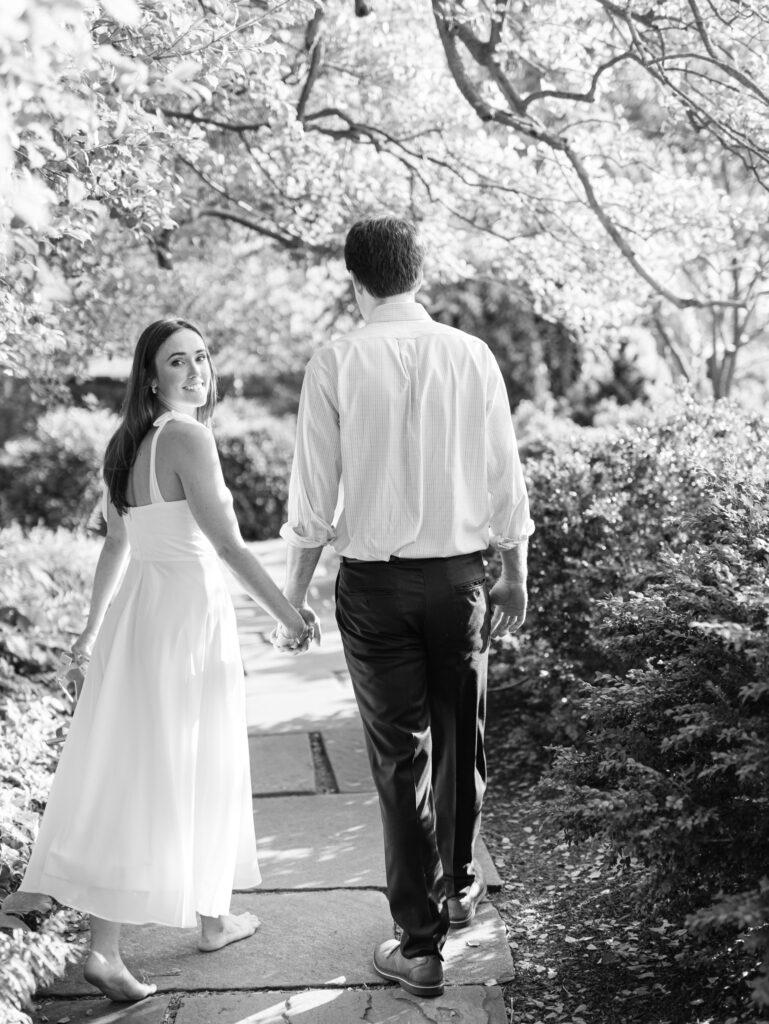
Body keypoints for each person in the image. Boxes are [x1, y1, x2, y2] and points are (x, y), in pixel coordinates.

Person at [273, 216, 534, 998]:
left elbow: (313, 493)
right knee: (463, 737)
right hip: (459, 581)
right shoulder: (471, 355)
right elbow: (503, 473)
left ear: (354, 281)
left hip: (375, 586)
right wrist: (514, 571)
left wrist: (291, 593)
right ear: (419, 274)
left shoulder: (337, 360)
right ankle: (456, 889)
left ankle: (418, 947)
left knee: (398, 761)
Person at [20, 318, 312, 1003]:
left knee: (162, 761)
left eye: (202, 357)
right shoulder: (186, 436)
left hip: (144, 618)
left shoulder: (128, 444)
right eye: (178, 362)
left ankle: (212, 916)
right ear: (150, 377)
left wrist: (92, 633)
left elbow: (118, 547)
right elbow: (231, 545)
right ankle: (107, 950)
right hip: (183, 617)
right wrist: (290, 615)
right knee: (166, 766)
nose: (196, 371)